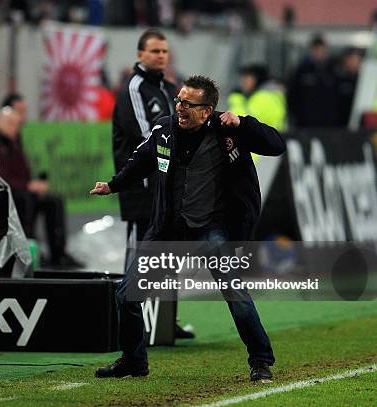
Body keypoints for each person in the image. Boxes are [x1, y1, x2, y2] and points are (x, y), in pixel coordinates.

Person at [90, 75, 284, 381]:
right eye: (179, 101)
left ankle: (260, 360)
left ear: (207, 111)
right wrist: (113, 185)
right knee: (126, 294)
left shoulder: (228, 130)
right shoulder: (164, 129)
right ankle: (133, 360)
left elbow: (276, 145)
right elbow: (140, 161)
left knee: (236, 295)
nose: (180, 107)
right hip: (166, 229)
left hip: (210, 229)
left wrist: (244, 124)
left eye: (188, 104)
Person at [112, 28, 193, 339]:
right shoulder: (132, 88)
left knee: (167, 248)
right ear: (140, 54)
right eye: (155, 51)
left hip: (166, 183)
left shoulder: (170, 88)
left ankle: (165, 320)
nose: (161, 55)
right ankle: (133, 322)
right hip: (141, 185)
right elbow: (147, 136)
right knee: (141, 251)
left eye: (164, 51)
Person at [0, 107, 82, 267]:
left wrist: (33, 185)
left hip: (20, 190)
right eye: (11, 124)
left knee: (54, 201)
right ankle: (26, 250)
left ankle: (58, 254)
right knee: (26, 200)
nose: (15, 128)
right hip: (1, 193)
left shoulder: (13, 141)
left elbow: (23, 171)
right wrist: (27, 186)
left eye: (17, 124)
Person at [287, 34, 337, 128]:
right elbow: (293, 94)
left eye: (321, 50)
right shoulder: (301, 70)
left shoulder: (332, 71)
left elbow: (336, 97)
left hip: (327, 123)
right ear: (311, 50)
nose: (318, 53)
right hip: (305, 122)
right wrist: (296, 116)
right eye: (316, 49)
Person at [228, 64, 287, 131]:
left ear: (257, 79)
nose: (243, 82)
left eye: (247, 78)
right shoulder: (270, 94)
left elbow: (241, 122)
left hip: (264, 140)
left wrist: (237, 99)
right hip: (269, 138)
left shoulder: (264, 97)